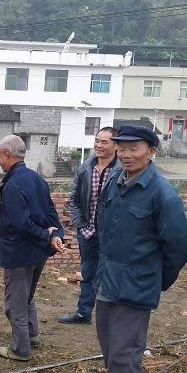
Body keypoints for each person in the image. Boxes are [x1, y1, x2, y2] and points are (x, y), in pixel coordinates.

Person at [88, 125, 187, 373]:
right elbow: (104, 223)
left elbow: (179, 244)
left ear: (151, 151)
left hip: (136, 282)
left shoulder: (161, 193)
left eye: (135, 148)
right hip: (109, 276)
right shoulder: (117, 181)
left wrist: (158, 278)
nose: (126, 154)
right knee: (107, 335)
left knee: (126, 345)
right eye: (122, 148)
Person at [0, 135, 65, 361]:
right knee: (27, 295)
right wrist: (55, 234)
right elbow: (51, 211)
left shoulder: (12, 184)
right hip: (38, 252)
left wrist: (47, 234)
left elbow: (21, 223)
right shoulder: (36, 179)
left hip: (20, 251)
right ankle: (32, 335)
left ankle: (20, 349)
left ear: (6, 154)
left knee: (15, 301)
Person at [59, 127, 120, 324]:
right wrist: (79, 224)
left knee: (109, 275)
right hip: (87, 232)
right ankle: (83, 312)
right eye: (97, 141)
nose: (99, 145)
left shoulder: (121, 170)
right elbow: (74, 199)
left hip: (111, 234)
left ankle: (110, 317)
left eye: (105, 142)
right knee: (87, 273)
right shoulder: (85, 167)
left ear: (116, 145)